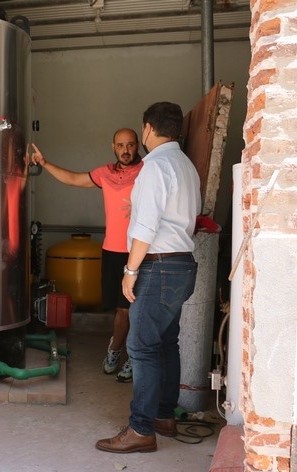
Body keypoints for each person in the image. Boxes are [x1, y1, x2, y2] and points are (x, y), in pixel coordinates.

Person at [95, 102, 201, 454]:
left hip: (158, 266)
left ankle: (141, 429)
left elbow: (145, 226)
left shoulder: (155, 167)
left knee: (141, 348)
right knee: (166, 343)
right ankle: (163, 417)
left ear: (148, 129)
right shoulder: (186, 165)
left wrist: (130, 271)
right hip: (182, 264)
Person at [30, 128, 143, 383]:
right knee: (121, 310)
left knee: (135, 309)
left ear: (137, 145)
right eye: (120, 145)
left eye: (130, 145)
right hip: (112, 251)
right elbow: (73, 179)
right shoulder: (106, 173)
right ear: (113, 147)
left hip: (139, 250)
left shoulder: (147, 171)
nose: (125, 150)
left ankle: (133, 357)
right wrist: (45, 163)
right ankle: (116, 349)